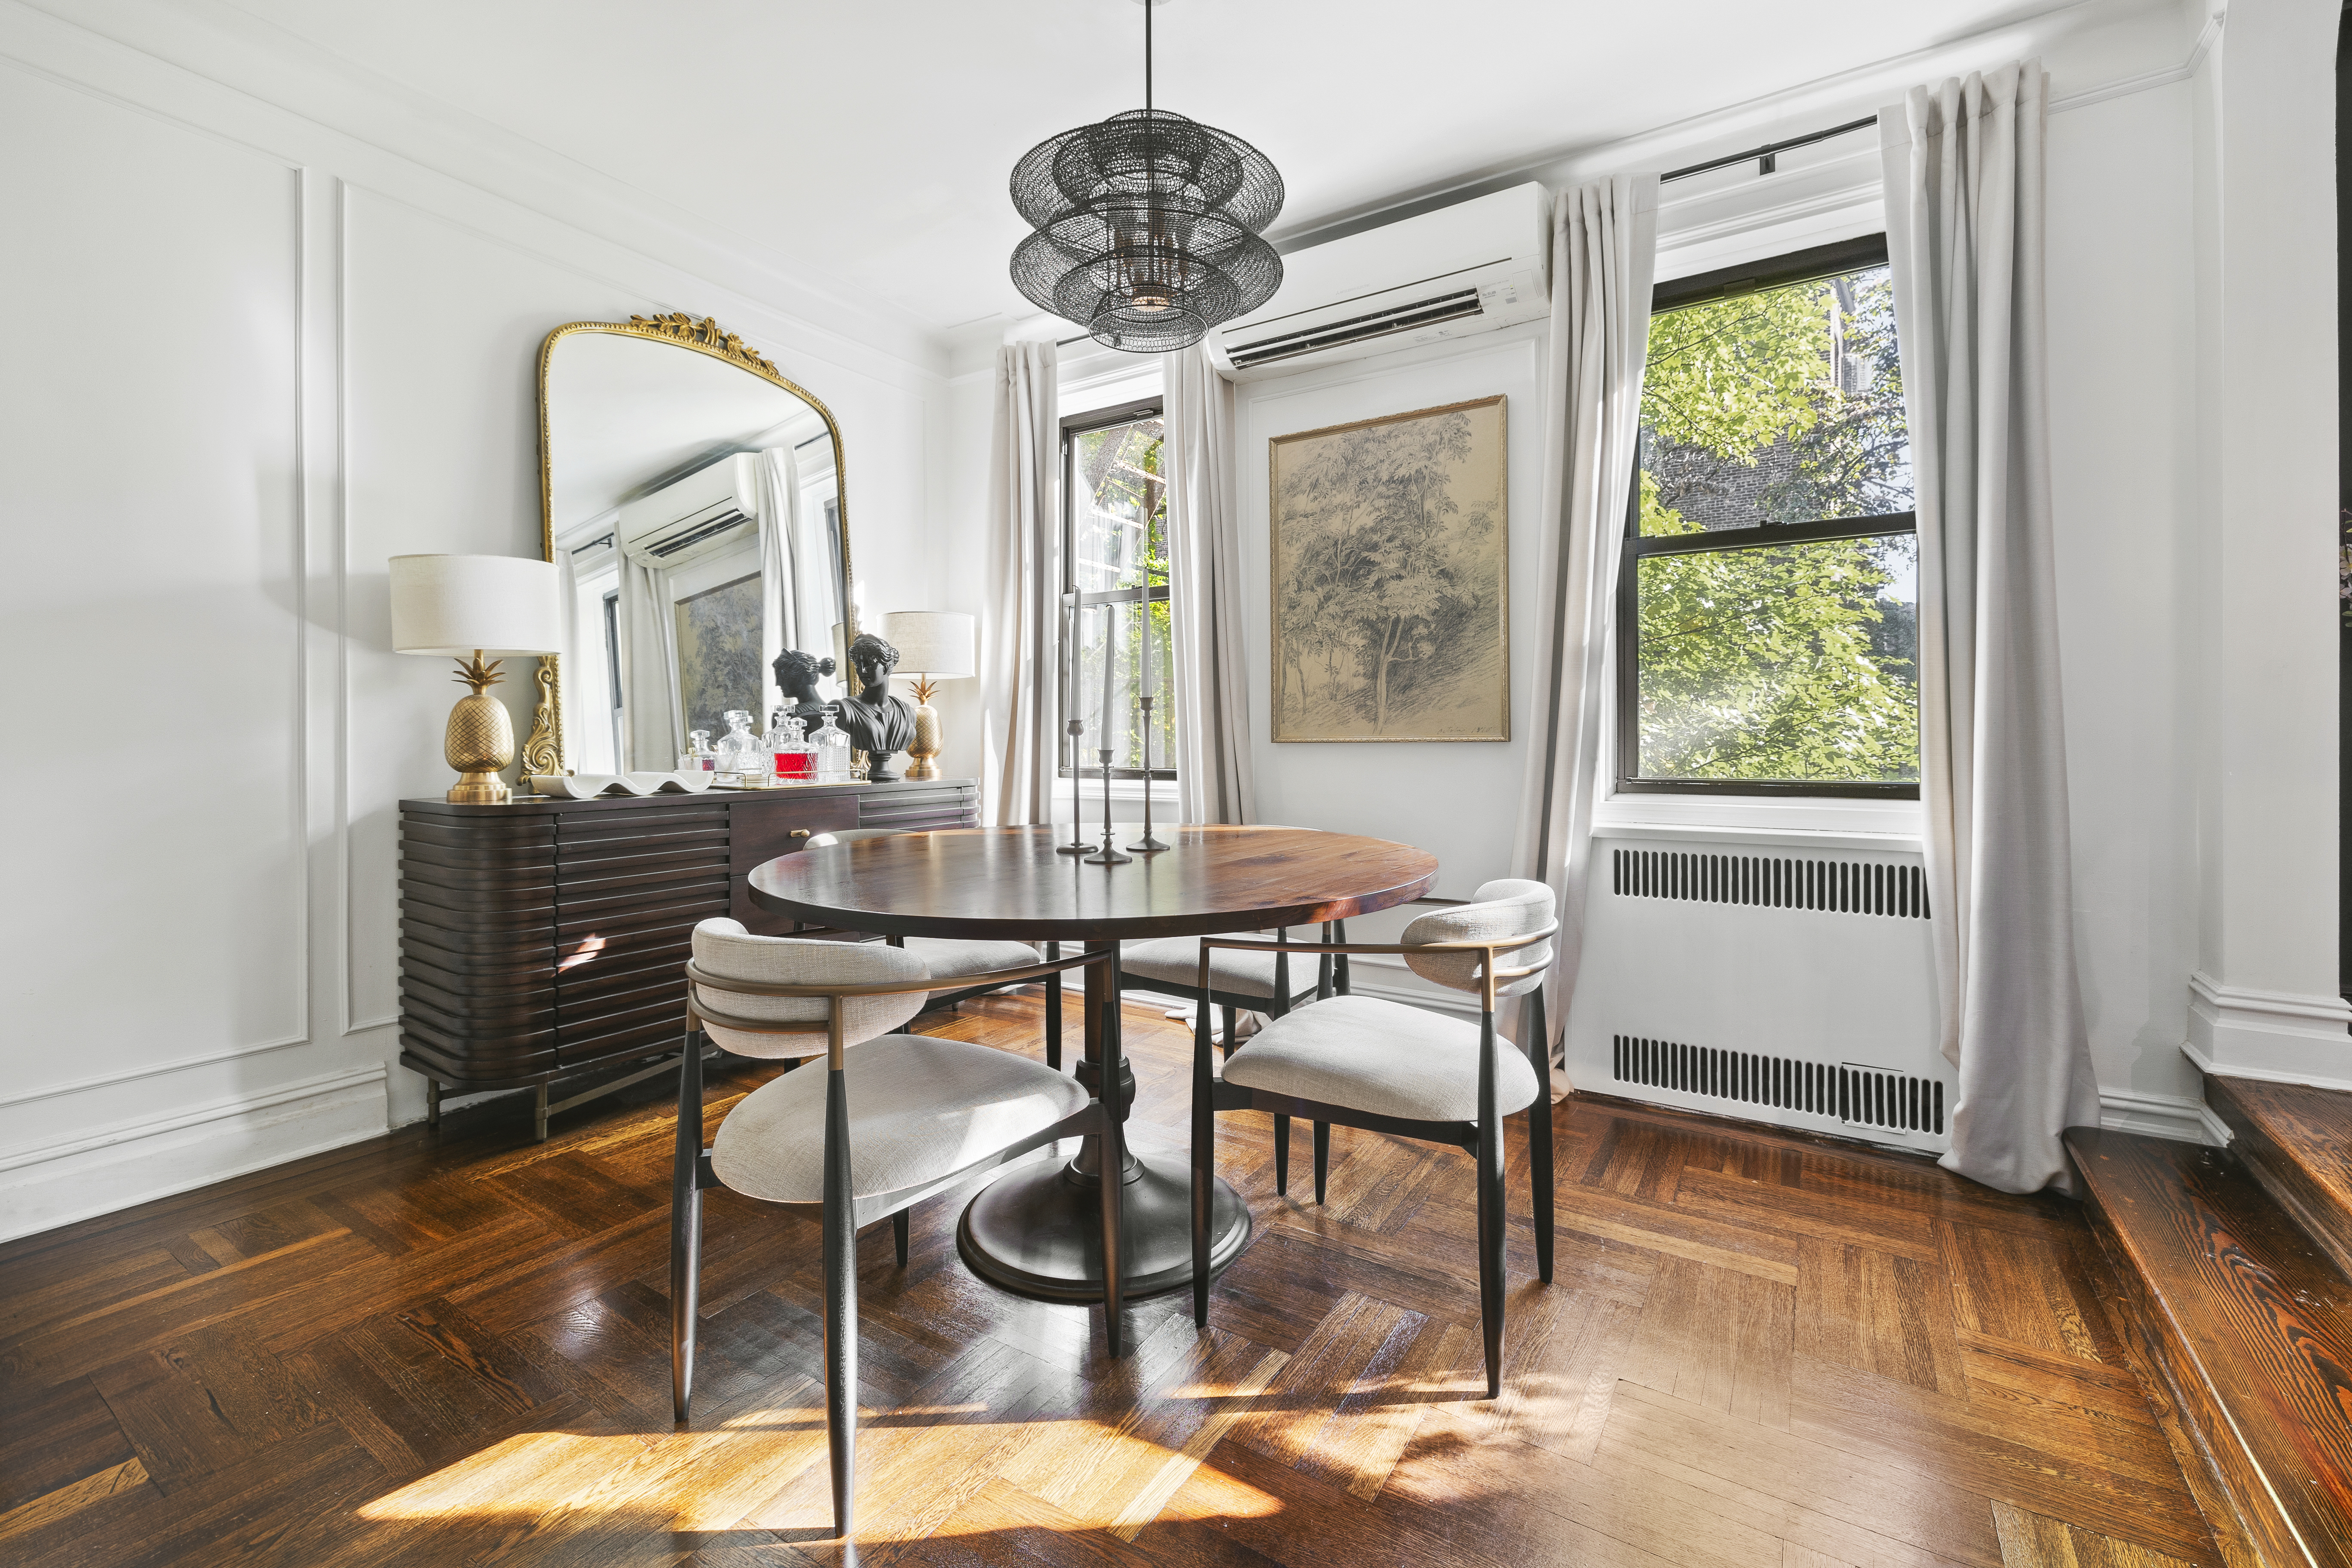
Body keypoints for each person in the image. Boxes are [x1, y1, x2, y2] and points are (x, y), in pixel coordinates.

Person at [833, 631, 916, 781]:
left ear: (886, 667)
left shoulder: (907, 712)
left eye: (869, 664)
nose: (862, 670)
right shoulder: (844, 709)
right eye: (858, 665)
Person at [771, 648, 838, 728]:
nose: (778, 683)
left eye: (783, 677)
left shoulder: (785, 716)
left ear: (801, 677)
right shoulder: (832, 713)